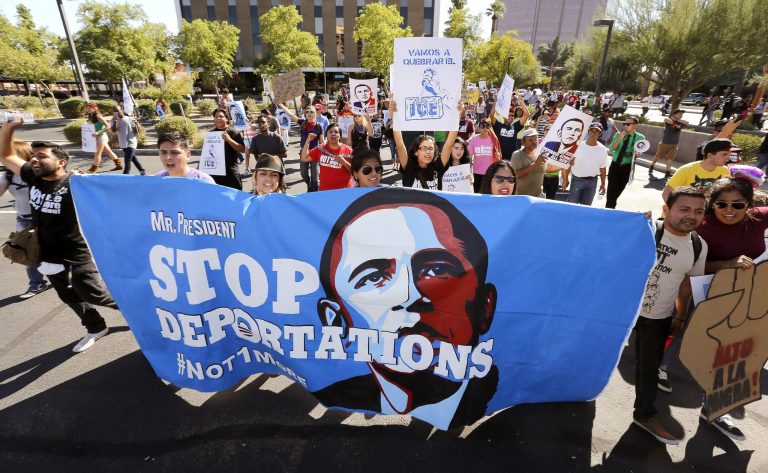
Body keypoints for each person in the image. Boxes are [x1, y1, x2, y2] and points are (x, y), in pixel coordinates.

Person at [311, 188, 499, 430]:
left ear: (485, 306)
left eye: (436, 271)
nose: (408, 295)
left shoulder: (510, 390)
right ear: (336, 322)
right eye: (375, 277)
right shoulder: (335, 395)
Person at [0, 119, 118, 352]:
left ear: (61, 162)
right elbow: (6, 156)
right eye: (33, 156)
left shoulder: (74, 184)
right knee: (68, 296)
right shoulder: (33, 177)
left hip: (76, 255)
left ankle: (142, 317)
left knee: (95, 294)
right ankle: (96, 327)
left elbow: (117, 193)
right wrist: (8, 130)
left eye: (42, 156)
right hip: (47, 255)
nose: (34, 159)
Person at [684, 173, 767, 441]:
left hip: (744, 300)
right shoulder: (701, 227)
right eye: (722, 204)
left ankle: (714, 409)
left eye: (738, 204)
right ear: (712, 204)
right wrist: (726, 264)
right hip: (702, 296)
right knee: (679, 345)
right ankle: (657, 370)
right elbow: (688, 267)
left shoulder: (758, 218)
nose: (729, 210)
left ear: (749, 205)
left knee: (727, 356)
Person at [632, 186, 708, 445]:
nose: (691, 216)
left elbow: (687, 283)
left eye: (698, 211)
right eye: (684, 209)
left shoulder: (698, 246)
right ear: (667, 209)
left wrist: (680, 315)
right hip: (621, 311)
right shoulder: (647, 228)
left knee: (649, 368)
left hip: (658, 316)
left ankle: (644, 415)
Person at [0, 139, 50, 298]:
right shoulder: (8, 174)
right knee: (28, 253)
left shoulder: (41, 173)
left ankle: (67, 276)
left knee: (55, 251)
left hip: (47, 219)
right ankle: (36, 284)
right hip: (23, 219)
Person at [662, 138, 735, 203]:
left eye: (729, 154)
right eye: (724, 154)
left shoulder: (726, 171)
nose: (728, 158)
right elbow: (666, 194)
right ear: (710, 155)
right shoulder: (686, 169)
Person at [277, 101, 324, 192]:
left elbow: (322, 142)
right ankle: (309, 183)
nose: (309, 114)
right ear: (305, 114)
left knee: (315, 176)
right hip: (303, 152)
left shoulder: (319, 126)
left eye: (311, 112)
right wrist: (280, 104)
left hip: (314, 153)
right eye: (307, 112)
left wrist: (323, 154)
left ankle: (313, 193)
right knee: (303, 174)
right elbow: (290, 114)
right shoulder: (302, 123)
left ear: (315, 114)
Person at [562, 122, 608, 205]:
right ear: (588, 132)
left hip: (592, 183)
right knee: (572, 206)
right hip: (577, 181)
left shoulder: (603, 150)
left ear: (600, 134)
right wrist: (565, 180)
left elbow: (603, 169)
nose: (593, 133)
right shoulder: (578, 146)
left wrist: (603, 184)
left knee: (586, 208)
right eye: (592, 131)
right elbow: (568, 164)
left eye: (596, 131)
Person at [605, 116, 645, 209]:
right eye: (624, 124)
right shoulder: (618, 134)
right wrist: (620, 138)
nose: (625, 126)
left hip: (627, 167)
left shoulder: (640, 137)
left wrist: (638, 154)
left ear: (635, 125)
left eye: (628, 124)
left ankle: (610, 206)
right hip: (615, 165)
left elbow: (640, 153)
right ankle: (609, 209)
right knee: (611, 190)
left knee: (619, 189)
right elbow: (611, 149)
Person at [301, 123, 353, 191]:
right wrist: (308, 141)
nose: (333, 134)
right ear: (326, 135)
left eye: (336, 132)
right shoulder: (320, 148)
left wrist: (344, 163)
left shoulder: (348, 150)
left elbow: (355, 172)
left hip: (344, 190)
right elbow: (304, 158)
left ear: (340, 136)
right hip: (325, 190)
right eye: (330, 132)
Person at [207, 108, 246, 189]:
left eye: (221, 116)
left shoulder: (233, 132)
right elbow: (206, 154)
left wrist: (229, 140)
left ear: (227, 118)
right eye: (216, 116)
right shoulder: (210, 133)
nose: (218, 118)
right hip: (215, 173)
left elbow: (242, 149)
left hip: (230, 173)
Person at [649, 109, 689, 180]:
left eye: (682, 114)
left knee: (671, 158)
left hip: (674, 144)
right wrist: (674, 120)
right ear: (674, 114)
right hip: (665, 142)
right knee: (658, 156)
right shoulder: (668, 120)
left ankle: (667, 172)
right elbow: (667, 120)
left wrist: (676, 120)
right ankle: (652, 165)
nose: (681, 115)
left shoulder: (681, 122)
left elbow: (687, 122)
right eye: (679, 114)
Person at [85, 105, 122, 173]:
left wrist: (99, 132)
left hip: (101, 137)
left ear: (95, 108)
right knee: (109, 151)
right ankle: (119, 165)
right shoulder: (91, 116)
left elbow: (108, 126)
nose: (88, 109)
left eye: (90, 108)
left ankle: (93, 169)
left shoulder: (98, 116)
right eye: (87, 108)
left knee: (97, 153)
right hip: (95, 137)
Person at [510, 128, 546, 197]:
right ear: (523, 142)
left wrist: (567, 163)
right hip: (521, 198)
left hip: (539, 197)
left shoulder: (541, 154)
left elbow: (549, 169)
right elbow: (516, 175)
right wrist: (536, 164)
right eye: (530, 140)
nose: (534, 142)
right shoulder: (517, 155)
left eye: (535, 139)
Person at [468, 118, 501, 192]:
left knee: (489, 194)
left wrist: (497, 155)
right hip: (477, 173)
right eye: (482, 126)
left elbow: (498, 159)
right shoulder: (474, 139)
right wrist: (469, 171)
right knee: (477, 194)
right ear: (479, 128)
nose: (485, 129)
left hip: (490, 173)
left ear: (490, 128)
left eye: (487, 126)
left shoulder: (494, 140)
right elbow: (469, 157)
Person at [110, 105, 145, 175]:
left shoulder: (129, 119)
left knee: (127, 159)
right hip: (123, 143)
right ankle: (142, 171)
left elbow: (136, 131)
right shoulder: (113, 120)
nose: (116, 112)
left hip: (131, 141)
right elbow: (113, 130)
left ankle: (125, 175)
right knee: (133, 158)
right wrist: (116, 121)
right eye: (114, 111)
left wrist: (136, 123)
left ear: (122, 110)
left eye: (117, 110)